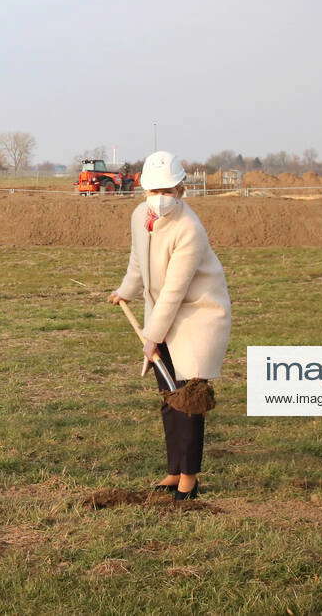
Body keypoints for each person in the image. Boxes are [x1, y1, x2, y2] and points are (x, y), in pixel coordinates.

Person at [108, 151, 231, 500]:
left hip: (195, 317)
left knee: (188, 399)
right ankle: (173, 470)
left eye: (168, 190)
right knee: (168, 398)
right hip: (161, 314)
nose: (160, 198)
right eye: (153, 190)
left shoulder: (189, 229)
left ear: (181, 190)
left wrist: (151, 337)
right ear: (144, 189)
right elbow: (138, 261)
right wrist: (125, 291)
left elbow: (175, 290)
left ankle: (190, 479)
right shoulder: (138, 216)